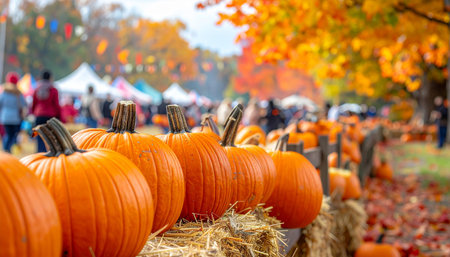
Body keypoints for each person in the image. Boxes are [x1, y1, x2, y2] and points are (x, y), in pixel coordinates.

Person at [31, 70, 61, 152]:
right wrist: (59, 116)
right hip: (50, 116)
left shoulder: (37, 89)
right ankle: (49, 152)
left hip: (39, 115)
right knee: (50, 136)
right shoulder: (53, 89)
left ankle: (40, 152)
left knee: (40, 135)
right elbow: (56, 104)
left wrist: (34, 113)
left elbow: (34, 103)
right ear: (50, 78)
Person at [0, 72, 27, 152]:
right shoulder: (18, 93)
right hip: (15, 118)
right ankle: (7, 150)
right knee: (13, 135)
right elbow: (23, 104)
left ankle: (6, 149)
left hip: (5, 117)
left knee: (7, 134)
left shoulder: (4, 92)